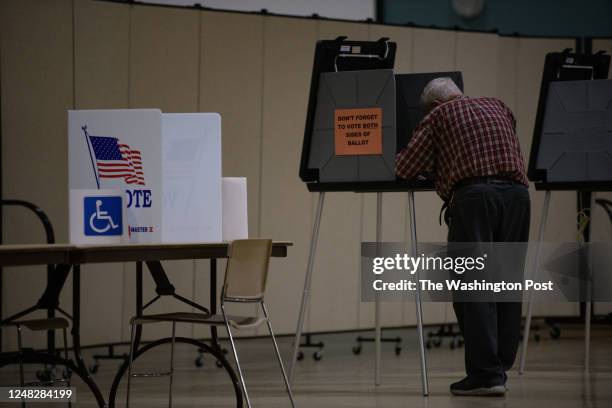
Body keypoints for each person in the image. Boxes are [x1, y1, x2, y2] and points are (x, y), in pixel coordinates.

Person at [396, 77, 531, 396]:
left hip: (476, 198)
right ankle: (499, 367)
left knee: (473, 286)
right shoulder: (498, 105)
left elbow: (405, 167)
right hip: (517, 196)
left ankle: (486, 375)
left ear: (434, 105)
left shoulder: (438, 116)